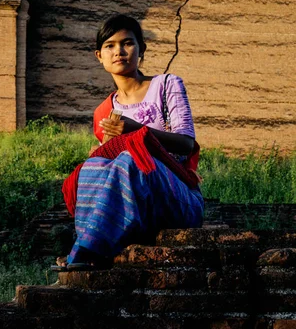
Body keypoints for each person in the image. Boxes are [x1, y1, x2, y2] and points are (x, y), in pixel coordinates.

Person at [58, 14, 204, 269]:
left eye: (127, 43)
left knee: (131, 158)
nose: (119, 51)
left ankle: (89, 251)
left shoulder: (166, 85)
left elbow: (186, 144)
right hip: (135, 203)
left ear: (141, 49)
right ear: (99, 56)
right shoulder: (104, 111)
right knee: (91, 168)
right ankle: (88, 244)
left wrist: (138, 132)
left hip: (178, 197)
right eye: (110, 46)